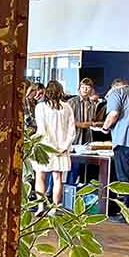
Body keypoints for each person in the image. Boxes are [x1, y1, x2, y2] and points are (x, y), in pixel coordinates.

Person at [31, 80, 76, 210]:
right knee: (57, 178)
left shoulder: (40, 107)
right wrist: (64, 147)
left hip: (44, 148)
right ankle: (55, 208)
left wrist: (49, 146)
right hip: (61, 149)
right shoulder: (67, 107)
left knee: (40, 176)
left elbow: (42, 130)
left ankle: (40, 207)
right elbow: (72, 130)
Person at [102, 78, 129, 218]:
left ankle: (128, 213)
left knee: (125, 179)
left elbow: (114, 114)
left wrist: (105, 128)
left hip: (124, 140)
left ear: (113, 86)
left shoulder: (117, 93)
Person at [70, 77, 105, 146]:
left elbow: (93, 120)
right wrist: (82, 124)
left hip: (88, 137)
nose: (85, 90)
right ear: (79, 89)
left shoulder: (93, 103)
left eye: (87, 87)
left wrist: (96, 123)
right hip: (74, 136)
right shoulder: (72, 102)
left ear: (91, 90)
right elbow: (67, 120)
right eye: (83, 87)